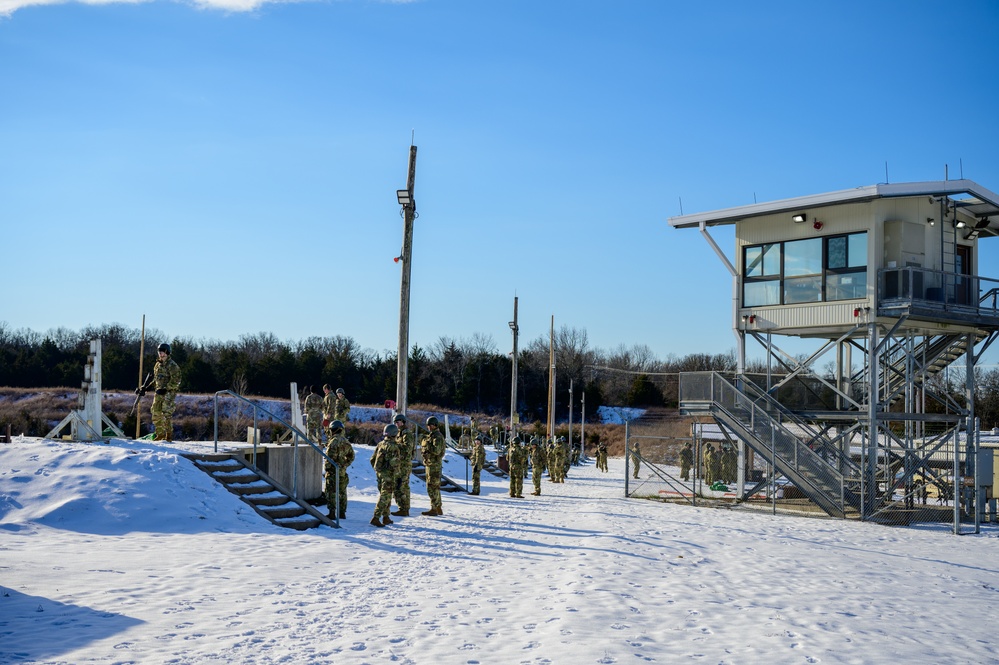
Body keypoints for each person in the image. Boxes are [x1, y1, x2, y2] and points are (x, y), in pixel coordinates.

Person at [136, 343, 182, 442]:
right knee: (155, 411)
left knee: (166, 413)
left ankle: (168, 435)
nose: (161, 354)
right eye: (159, 352)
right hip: (158, 392)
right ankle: (160, 434)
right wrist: (146, 387)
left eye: (163, 352)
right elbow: (156, 379)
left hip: (168, 393)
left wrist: (166, 388)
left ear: (167, 353)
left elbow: (176, 381)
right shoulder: (157, 365)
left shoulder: (172, 366)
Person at [370, 423, 401, 527]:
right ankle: (376, 517)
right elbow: (395, 463)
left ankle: (386, 517)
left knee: (386, 496)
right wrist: (397, 475)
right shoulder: (394, 447)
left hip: (380, 474)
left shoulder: (381, 444)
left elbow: (372, 459)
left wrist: (378, 471)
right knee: (385, 496)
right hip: (388, 475)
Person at [324, 419, 354, 519]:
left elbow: (329, 457)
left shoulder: (333, 442)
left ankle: (332, 512)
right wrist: (345, 464)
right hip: (342, 471)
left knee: (331, 492)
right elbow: (352, 456)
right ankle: (342, 513)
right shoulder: (346, 441)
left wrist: (328, 469)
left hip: (333, 472)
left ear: (332, 430)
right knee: (342, 492)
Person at [420, 416, 446, 516]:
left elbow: (436, 450)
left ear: (435, 425)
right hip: (430, 464)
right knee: (434, 486)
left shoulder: (437, 436)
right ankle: (437, 507)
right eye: (428, 425)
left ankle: (434, 508)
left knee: (432, 487)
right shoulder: (432, 436)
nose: (429, 427)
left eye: (431, 425)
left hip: (434, 465)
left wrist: (427, 445)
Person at [391, 413, 414, 516]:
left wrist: (395, 446)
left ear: (403, 422)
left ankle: (405, 509)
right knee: (397, 486)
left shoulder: (406, 433)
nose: (396, 424)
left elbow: (407, 448)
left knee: (403, 487)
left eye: (398, 422)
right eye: (395, 422)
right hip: (399, 464)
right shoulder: (398, 433)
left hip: (404, 464)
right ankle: (402, 507)